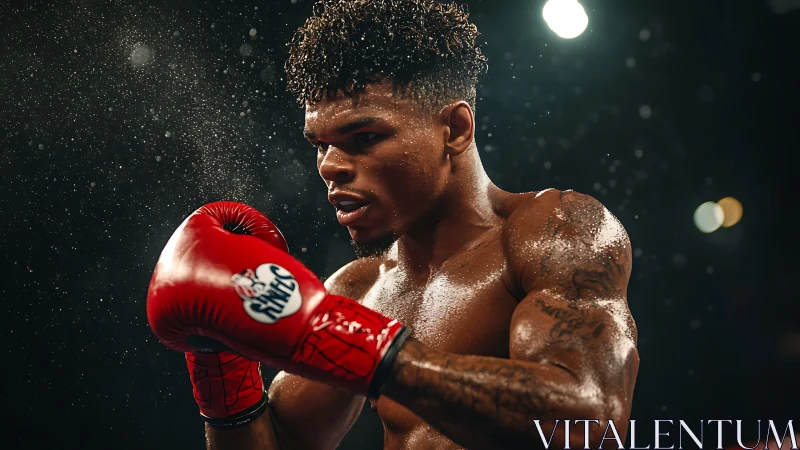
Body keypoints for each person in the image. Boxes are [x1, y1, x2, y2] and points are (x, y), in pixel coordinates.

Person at [146, 0, 640, 449]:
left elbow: (591, 421)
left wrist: (371, 353)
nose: (329, 165)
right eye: (320, 143)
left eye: (363, 136)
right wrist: (221, 367)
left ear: (455, 129)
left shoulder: (555, 230)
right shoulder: (356, 291)